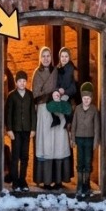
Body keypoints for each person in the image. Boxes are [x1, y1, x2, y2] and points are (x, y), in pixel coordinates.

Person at [32, 47, 72, 189]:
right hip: (44, 111)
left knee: (59, 144)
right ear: (40, 58)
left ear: (51, 57)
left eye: (48, 55)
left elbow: (65, 86)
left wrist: (60, 94)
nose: (46, 58)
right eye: (43, 56)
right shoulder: (37, 73)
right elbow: (36, 94)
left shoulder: (57, 71)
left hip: (58, 109)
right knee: (47, 144)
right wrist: (50, 95)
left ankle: (59, 180)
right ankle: (47, 181)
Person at [5, 70, 35, 191]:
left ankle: (23, 180)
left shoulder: (30, 95)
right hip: (16, 131)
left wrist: (33, 128)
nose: (22, 83)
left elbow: (33, 112)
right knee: (15, 156)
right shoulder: (11, 96)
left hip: (26, 130)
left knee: (24, 156)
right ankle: (15, 180)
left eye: (24, 81)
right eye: (20, 81)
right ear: (16, 82)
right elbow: (8, 114)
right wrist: (9, 129)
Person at [70, 81, 99, 198]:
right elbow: (74, 125)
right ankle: (79, 185)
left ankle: (86, 184)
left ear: (91, 99)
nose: (86, 100)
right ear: (82, 98)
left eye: (88, 98)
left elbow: (96, 127)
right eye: (84, 98)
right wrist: (72, 139)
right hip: (79, 139)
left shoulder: (94, 110)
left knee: (87, 161)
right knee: (80, 161)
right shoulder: (77, 109)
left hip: (89, 140)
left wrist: (95, 141)